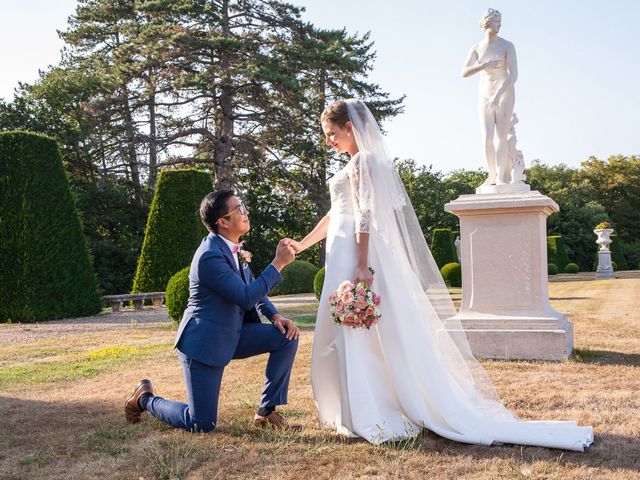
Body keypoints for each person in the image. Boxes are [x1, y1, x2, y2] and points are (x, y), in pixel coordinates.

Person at [288, 99, 593, 450]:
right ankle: (355, 405)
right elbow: (334, 214)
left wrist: (360, 263)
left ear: (351, 128)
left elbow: (366, 214)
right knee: (345, 330)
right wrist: (301, 244)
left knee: (362, 332)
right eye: (326, 135)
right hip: (340, 250)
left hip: (355, 253)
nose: (329, 141)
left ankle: (372, 406)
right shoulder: (349, 166)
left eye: (332, 134)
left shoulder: (364, 163)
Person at [124, 190, 301, 432]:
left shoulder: (233, 248)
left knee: (286, 336)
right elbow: (247, 298)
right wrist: (278, 263)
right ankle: (143, 399)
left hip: (234, 334)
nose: (245, 211)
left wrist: (276, 316)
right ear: (223, 222)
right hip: (205, 342)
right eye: (239, 208)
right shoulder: (209, 256)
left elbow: (252, 288)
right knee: (201, 423)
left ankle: (266, 412)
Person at [462, 8, 518, 186]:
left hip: (504, 93)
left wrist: (499, 93)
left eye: (500, 21)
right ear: (487, 23)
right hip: (484, 93)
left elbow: (513, 75)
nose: (499, 24)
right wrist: (484, 65)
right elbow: (464, 71)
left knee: (501, 135)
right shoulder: (477, 47)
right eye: (496, 21)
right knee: (487, 137)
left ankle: (502, 176)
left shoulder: (507, 45)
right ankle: (491, 174)